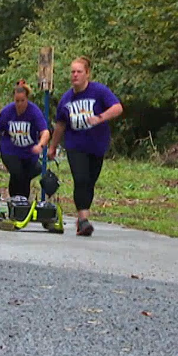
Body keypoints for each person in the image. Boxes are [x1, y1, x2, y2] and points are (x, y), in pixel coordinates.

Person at [47, 56, 123, 236]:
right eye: (72, 72)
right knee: (80, 179)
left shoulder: (99, 91)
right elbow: (60, 125)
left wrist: (100, 118)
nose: (75, 75)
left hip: (97, 144)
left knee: (89, 182)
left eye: (79, 72)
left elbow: (118, 108)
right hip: (75, 144)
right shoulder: (66, 98)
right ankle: (83, 219)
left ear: (87, 74)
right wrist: (52, 147)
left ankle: (82, 220)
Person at [0, 80, 50, 200]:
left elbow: (45, 132)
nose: (19, 104)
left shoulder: (34, 112)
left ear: (27, 99)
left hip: (29, 151)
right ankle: (15, 200)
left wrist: (41, 145)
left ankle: (22, 203)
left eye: (22, 101)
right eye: (17, 101)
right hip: (10, 149)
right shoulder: (7, 112)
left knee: (26, 175)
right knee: (17, 172)